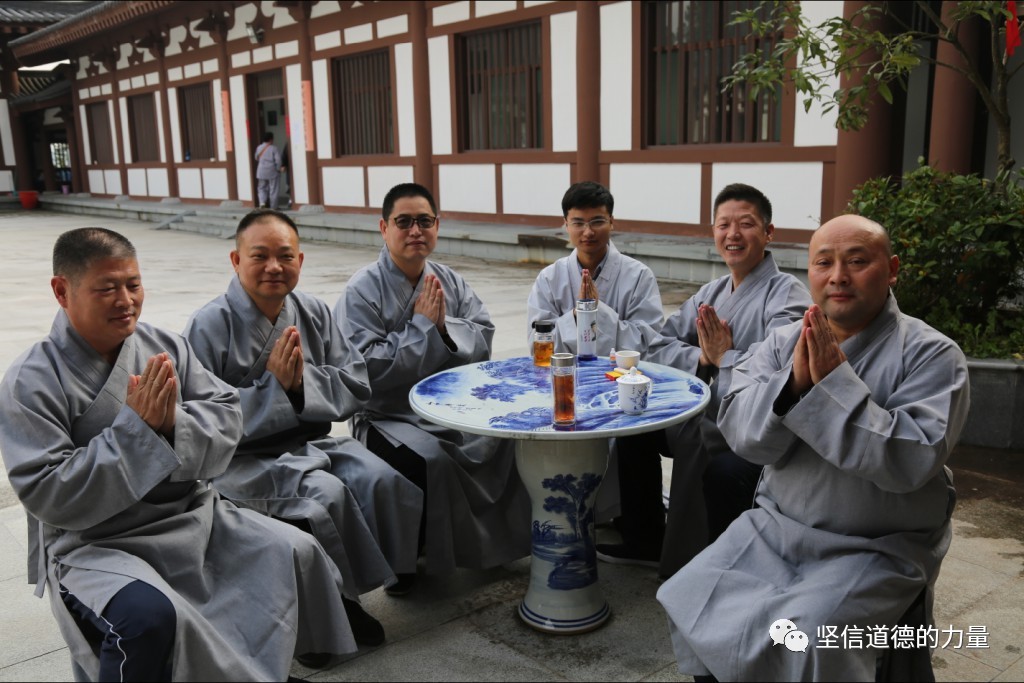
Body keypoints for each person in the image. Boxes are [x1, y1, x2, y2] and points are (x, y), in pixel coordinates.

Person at [0, 227, 357, 681]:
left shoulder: (163, 347)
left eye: (133, 284)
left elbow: (228, 417)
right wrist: (137, 432)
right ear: (61, 291)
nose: (126, 300)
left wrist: (172, 424)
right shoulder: (30, 381)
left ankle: (254, 669)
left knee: (293, 549)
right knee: (146, 618)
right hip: (96, 544)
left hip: (191, 517)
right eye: (107, 288)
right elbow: (48, 492)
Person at [657, 215, 970, 681]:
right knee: (689, 594)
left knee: (814, 636)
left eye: (857, 261)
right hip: (778, 527)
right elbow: (743, 436)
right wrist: (793, 387)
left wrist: (834, 386)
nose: (838, 275)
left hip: (878, 544)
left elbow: (913, 458)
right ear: (810, 273)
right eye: (824, 262)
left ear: (892, 269)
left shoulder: (932, 353)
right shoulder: (782, 345)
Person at [184, 210, 423, 629]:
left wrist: (299, 388)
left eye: (285, 256)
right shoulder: (208, 325)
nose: (274, 267)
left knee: (382, 480)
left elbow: (354, 381)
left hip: (313, 442)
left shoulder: (312, 310)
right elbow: (200, 415)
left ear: (300, 261)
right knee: (325, 494)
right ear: (236, 260)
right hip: (243, 458)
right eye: (260, 256)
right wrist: (274, 392)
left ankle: (372, 583)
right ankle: (330, 614)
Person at [597, 184, 811, 577]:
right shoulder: (711, 292)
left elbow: (784, 370)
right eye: (723, 224)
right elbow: (660, 343)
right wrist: (702, 357)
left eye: (746, 224)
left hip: (750, 425)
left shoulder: (787, 294)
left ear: (769, 233)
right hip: (702, 413)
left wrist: (725, 359)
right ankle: (645, 537)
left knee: (718, 465)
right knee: (634, 422)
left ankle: (699, 560)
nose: (733, 234)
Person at [335, 182, 531, 588]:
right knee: (431, 461)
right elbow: (364, 368)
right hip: (389, 415)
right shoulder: (361, 291)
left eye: (424, 221)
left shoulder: (450, 282)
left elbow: (483, 335)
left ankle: (496, 544)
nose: (415, 231)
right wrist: (425, 329)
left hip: (454, 405)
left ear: (437, 226)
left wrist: (444, 329)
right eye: (403, 222)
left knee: (511, 437)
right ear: (383, 227)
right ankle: (413, 560)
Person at [526, 181, 664, 356]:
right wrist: (577, 315)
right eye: (578, 223)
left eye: (597, 221)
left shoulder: (639, 276)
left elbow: (650, 344)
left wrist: (598, 312)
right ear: (566, 224)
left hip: (621, 379)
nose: (588, 232)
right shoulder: (549, 279)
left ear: (611, 222)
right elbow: (538, 346)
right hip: (564, 378)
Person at [254, 132, 285, 210]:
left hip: (261, 171)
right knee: (273, 189)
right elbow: (278, 160)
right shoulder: (273, 148)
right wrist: (278, 169)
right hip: (272, 171)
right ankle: (273, 207)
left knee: (261, 188)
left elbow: (256, 158)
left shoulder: (259, 147)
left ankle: (262, 203)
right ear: (271, 139)